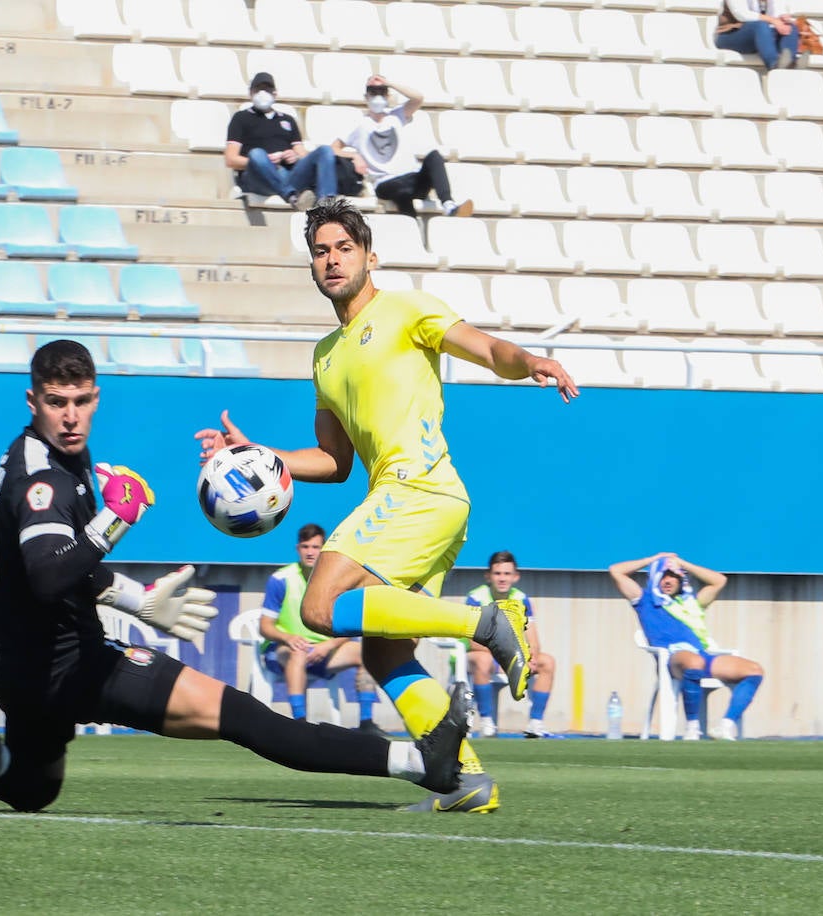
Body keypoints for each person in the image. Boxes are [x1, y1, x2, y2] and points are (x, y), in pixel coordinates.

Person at [0, 340, 470, 814]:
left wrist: (136, 599)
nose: (70, 417)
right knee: (242, 715)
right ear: (33, 402)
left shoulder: (54, 453)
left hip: (23, 665)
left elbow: (50, 570)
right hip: (62, 665)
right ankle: (424, 762)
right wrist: (114, 520)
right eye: (56, 403)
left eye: (80, 401)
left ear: (96, 398)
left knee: (33, 789)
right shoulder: (43, 475)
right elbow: (50, 577)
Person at [195, 198, 578, 812]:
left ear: (370, 256)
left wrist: (530, 361)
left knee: (320, 604)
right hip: (421, 503)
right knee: (384, 650)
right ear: (312, 267)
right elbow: (334, 461)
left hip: (417, 488)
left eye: (344, 248)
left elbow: (482, 348)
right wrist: (257, 457)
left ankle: (488, 625)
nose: (332, 259)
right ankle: (463, 780)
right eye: (321, 251)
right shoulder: (324, 356)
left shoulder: (405, 309)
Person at [608, 553, 764, 741]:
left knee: (754, 670)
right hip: (672, 659)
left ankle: (726, 725)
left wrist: (681, 563)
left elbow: (719, 581)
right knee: (693, 661)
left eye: (673, 576)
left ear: (681, 579)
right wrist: (655, 560)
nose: (668, 580)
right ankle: (693, 728)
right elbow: (616, 571)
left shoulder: (691, 604)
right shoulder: (645, 600)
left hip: (700, 656)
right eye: (663, 575)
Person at [260, 522, 387, 736]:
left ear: (324, 549)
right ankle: (299, 722)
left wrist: (328, 645)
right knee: (297, 652)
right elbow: (265, 627)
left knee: (368, 653)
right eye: (305, 547)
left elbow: (350, 626)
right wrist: (288, 638)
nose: (310, 552)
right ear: (298, 549)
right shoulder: (281, 579)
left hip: (324, 652)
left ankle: (366, 721)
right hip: (285, 651)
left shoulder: (337, 581)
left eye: (315, 547)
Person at [333, 76, 472, 219]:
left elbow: (418, 98)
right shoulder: (359, 125)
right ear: (366, 96)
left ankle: (449, 205)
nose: (377, 96)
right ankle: (413, 228)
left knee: (434, 157)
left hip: (411, 177)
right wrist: (354, 156)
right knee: (400, 191)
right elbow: (333, 148)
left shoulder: (396, 116)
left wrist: (389, 83)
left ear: (388, 96)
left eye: (382, 92)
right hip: (385, 182)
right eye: (373, 92)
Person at [464, 551, 557, 738]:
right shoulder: (476, 597)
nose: (502, 579)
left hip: (509, 656)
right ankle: (487, 723)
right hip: (475, 657)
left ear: (515, 577)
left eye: (507, 574)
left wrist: (530, 657)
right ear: (488, 576)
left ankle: (535, 724)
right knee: (483, 660)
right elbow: (474, 642)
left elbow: (533, 638)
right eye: (497, 573)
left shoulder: (521, 599)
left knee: (547, 662)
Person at [224, 71, 337, 210]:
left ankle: (327, 203)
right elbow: (230, 159)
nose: (263, 93)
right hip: (259, 178)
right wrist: (263, 162)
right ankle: (290, 195)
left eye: (267, 89)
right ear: (251, 93)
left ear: (275, 93)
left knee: (325, 150)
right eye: (259, 89)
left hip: (288, 174)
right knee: (257, 154)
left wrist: (294, 156)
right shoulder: (241, 118)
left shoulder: (287, 119)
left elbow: (302, 153)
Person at [715, 0, 802, 72]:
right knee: (760, 25)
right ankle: (774, 65)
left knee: (790, 27)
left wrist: (782, 18)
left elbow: (778, 13)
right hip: (731, 34)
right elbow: (741, 15)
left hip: (760, 35)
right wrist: (773, 20)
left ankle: (790, 63)